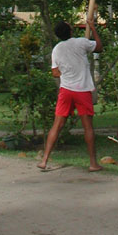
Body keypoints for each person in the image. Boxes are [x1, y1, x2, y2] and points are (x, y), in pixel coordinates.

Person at [37, 17, 102, 171]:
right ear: (70, 31)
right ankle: (93, 164)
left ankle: (44, 160)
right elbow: (99, 47)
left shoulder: (57, 49)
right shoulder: (81, 42)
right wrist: (92, 28)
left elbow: (54, 72)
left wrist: (67, 73)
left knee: (57, 125)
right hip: (82, 90)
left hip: (66, 91)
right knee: (88, 127)